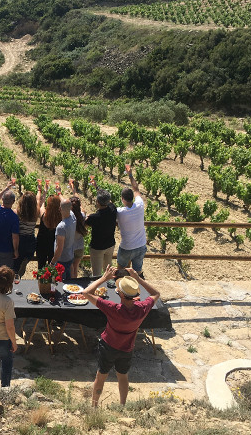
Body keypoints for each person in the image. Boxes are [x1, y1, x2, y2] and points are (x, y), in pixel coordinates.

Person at [83, 266, 160, 407]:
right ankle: (122, 405)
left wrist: (103, 278)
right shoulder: (142, 308)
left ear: (121, 294)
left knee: (101, 376)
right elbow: (156, 294)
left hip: (108, 347)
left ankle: (94, 405)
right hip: (126, 349)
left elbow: (87, 292)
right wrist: (138, 279)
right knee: (123, 376)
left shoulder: (113, 308)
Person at [117, 165, 147, 277]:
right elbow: (136, 189)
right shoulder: (139, 204)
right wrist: (130, 175)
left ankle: (120, 291)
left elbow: (108, 206)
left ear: (122, 199)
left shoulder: (120, 212)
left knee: (120, 271)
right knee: (137, 272)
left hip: (127, 247)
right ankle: (138, 290)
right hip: (141, 245)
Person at [85, 181, 118, 277]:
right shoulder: (113, 209)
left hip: (97, 248)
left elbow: (84, 226)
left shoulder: (94, 217)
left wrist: (86, 217)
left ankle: (98, 291)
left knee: (97, 274)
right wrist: (97, 187)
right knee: (108, 270)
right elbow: (109, 201)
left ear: (97, 202)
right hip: (110, 245)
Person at [0, 180, 19, 271]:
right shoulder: (14, 217)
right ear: (13, 201)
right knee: (5, 273)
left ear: (2, 199)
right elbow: (15, 237)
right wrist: (16, 250)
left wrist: (6, 188)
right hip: (6, 249)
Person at [36, 182, 61, 270]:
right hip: (53, 245)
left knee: (41, 266)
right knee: (52, 268)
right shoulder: (61, 217)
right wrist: (59, 193)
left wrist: (44, 192)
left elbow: (41, 203)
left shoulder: (44, 215)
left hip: (41, 244)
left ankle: (41, 283)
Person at [13, 191, 38, 277]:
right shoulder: (36, 213)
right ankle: (25, 260)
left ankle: (16, 275)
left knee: (16, 264)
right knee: (27, 256)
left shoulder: (17, 213)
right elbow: (39, 200)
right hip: (31, 241)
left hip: (20, 240)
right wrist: (40, 191)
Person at [68, 179, 87, 279]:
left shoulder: (69, 218)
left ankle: (72, 288)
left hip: (71, 247)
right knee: (75, 268)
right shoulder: (83, 215)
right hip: (80, 247)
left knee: (71, 268)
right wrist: (74, 190)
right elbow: (80, 204)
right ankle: (76, 285)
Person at [50, 197, 76, 270]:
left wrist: (52, 262)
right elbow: (67, 206)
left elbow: (60, 248)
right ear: (71, 208)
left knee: (61, 281)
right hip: (70, 255)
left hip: (62, 259)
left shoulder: (61, 227)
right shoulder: (73, 217)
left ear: (60, 209)